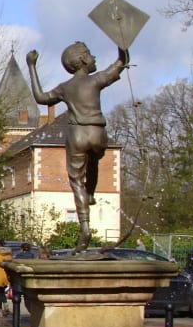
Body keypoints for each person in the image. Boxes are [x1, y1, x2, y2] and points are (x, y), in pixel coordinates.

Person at [26, 43, 129, 252]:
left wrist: (32, 66)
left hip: (77, 135)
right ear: (82, 60)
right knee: (94, 160)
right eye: (90, 54)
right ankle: (90, 193)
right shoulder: (96, 80)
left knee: (76, 181)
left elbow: (41, 97)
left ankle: (85, 226)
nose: (94, 57)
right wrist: (122, 45)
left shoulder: (65, 87)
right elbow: (121, 62)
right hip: (98, 133)